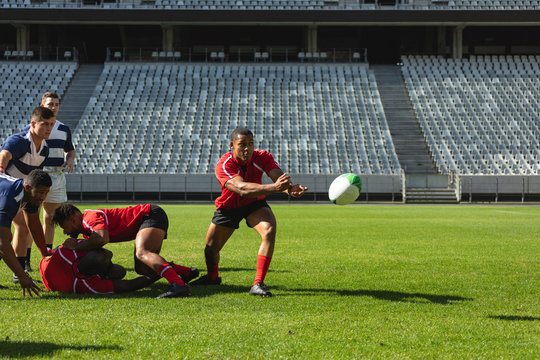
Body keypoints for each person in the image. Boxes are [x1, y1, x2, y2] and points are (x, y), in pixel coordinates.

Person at [190, 127, 307, 297]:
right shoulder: (224, 164)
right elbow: (241, 188)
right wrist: (274, 188)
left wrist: (290, 189)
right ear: (232, 145)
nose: (247, 148)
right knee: (210, 249)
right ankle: (212, 277)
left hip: (255, 204)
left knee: (269, 229)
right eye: (242, 144)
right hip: (229, 206)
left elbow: (278, 177)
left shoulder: (262, 157)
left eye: (250, 144)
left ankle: (258, 284)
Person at [52, 203, 199, 298]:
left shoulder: (89, 217)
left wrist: (76, 246)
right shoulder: (86, 230)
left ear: (72, 219)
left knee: (142, 252)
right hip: (147, 218)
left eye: (64, 226)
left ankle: (179, 286)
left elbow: (102, 238)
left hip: (150, 214)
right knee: (142, 268)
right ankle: (186, 272)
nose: (65, 232)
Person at [0, 107, 55, 283]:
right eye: (44, 124)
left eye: (51, 125)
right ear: (32, 124)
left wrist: (45, 253)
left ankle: (19, 271)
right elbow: (4, 155)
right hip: (8, 194)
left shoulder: (45, 149)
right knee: (8, 235)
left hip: (25, 192)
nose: (48, 128)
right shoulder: (20, 140)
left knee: (27, 226)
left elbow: (35, 224)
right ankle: (20, 274)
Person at [22, 92, 75, 270]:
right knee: (32, 217)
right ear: (42, 105)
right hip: (38, 177)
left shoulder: (63, 129)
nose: (53, 107)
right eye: (50, 104)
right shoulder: (35, 127)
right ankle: (26, 259)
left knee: (50, 219)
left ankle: (48, 258)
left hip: (57, 176)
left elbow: (70, 149)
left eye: (56, 104)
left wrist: (70, 160)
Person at [0, 169, 52, 296]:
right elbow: (2, 244)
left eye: (46, 193)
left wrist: (45, 254)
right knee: (5, 237)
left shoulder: (29, 195)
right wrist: (22, 276)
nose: (43, 197)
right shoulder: (9, 198)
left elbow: (34, 225)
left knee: (7, 236)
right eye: (41, 192)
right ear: (28, 187)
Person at [40, 246, 161, 295]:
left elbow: (108, 253)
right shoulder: (88, 285)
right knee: (120, 272)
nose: (111, 263)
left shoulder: (70, 251)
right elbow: (127, 285)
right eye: (109, 265)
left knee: (120, 271)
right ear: (98, 274)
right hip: (51, 276)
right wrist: (160, 272)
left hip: (48, 265)